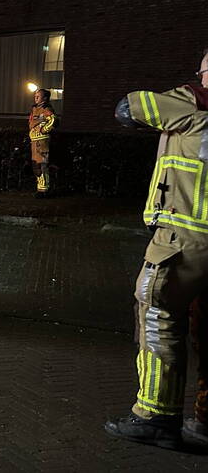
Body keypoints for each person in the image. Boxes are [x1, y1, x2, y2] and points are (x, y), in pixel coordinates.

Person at [104, 48, 208, 449]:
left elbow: (127, 108)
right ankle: (204, 421)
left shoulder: (192, 101)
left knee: (157, 312)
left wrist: (189, 92)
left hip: (184, 236)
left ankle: (155, 416)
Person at [28, 88, 58, 197]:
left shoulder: (46, 108)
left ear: (44, 98)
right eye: (35, 96)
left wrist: (43, 129)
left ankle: (44, 190)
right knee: (36, 165)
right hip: (34, 141)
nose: (35, 98)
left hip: (42, 141)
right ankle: (40, 189)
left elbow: (54, 120)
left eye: (38, 96)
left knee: (42, 165)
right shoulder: (35, 109)